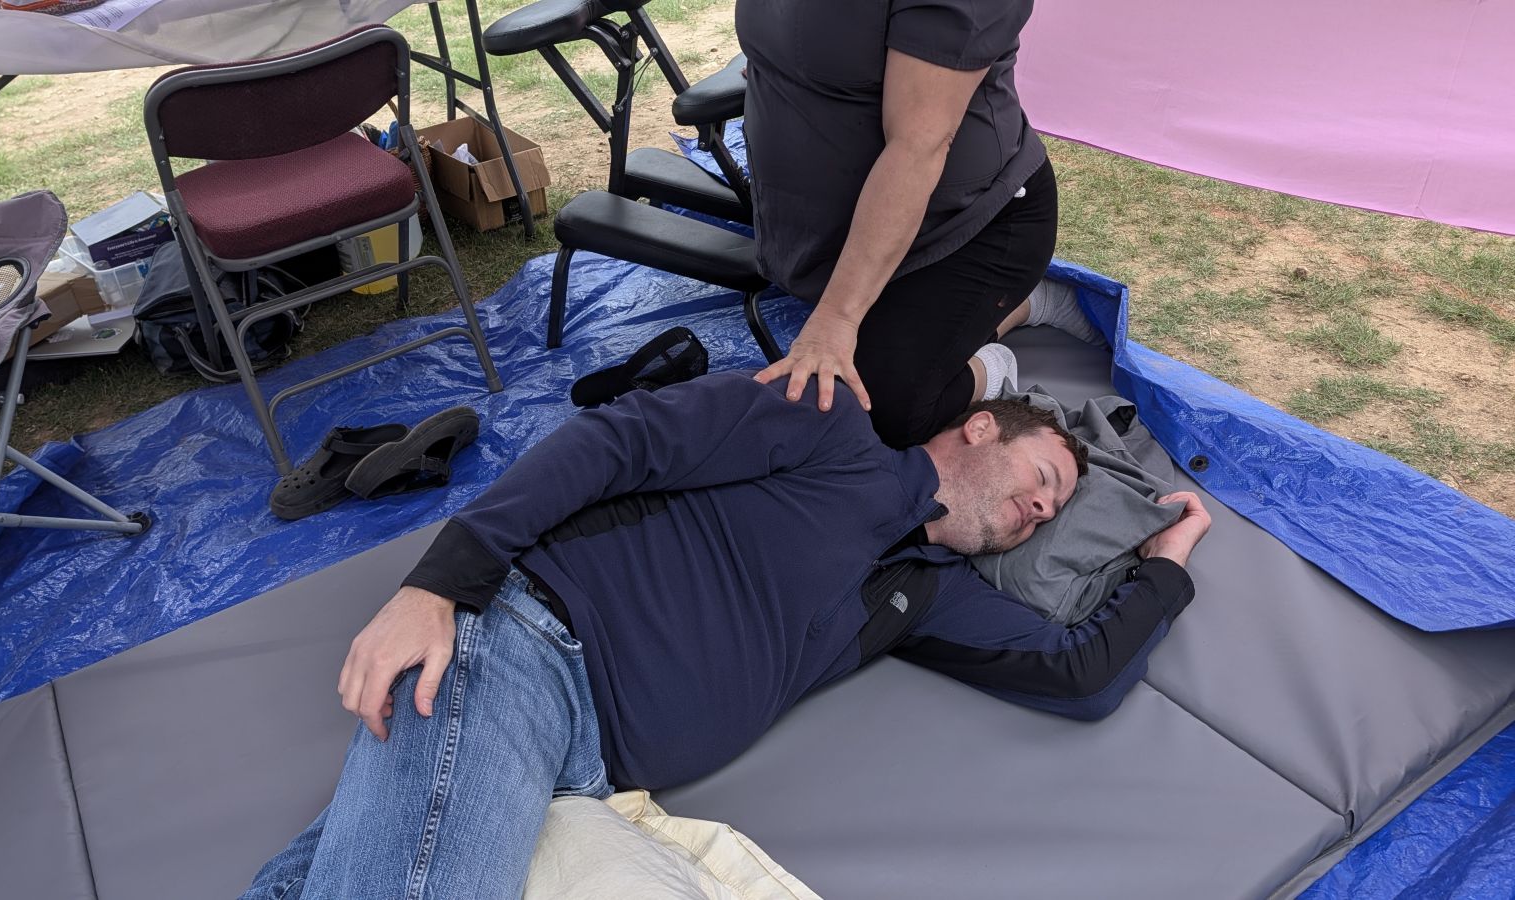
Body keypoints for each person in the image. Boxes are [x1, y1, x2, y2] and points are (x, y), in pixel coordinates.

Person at [243, 373, 1210, 899]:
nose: (1042, 509)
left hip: (582, 769)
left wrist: (1168, 560)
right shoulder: (829, 428)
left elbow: (1081, 675)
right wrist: (437, 584)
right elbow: (616, 440)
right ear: (981, 429)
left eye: (1054, 515)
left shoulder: (929, 593)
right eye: (1045, 477)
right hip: (526, 649)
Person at [735, 0, 1099, 448]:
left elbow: (918, 146)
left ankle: (1017, 318)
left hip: (965, 226)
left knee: (881, 413)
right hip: (842, 224)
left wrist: (837, 317)